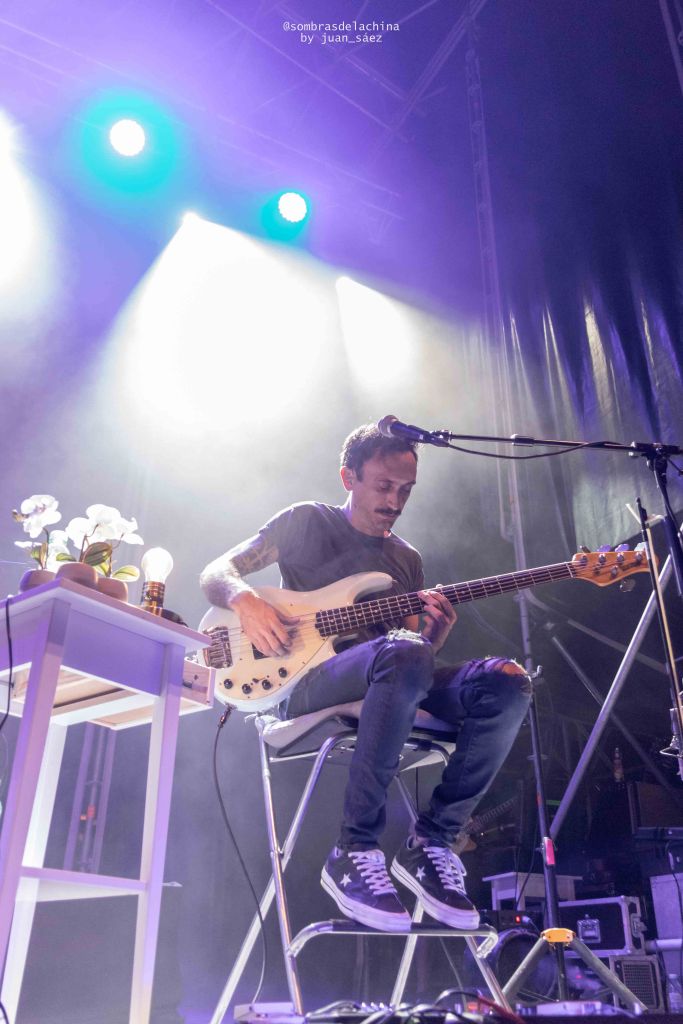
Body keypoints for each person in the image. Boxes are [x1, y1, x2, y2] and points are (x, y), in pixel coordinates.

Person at [200, 424, 531, 933]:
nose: (395, 501)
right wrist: (246, 601)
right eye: (383, 486)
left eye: (406, 490)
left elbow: (411, 655)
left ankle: (433, 842)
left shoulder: (406, 559)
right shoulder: (307, 521)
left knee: (507, 683)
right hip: (304, 683)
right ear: (348, 477)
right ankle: (354, 850)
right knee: (403, 652)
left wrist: (434, 638)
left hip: (386, 674)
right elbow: (217, 571)